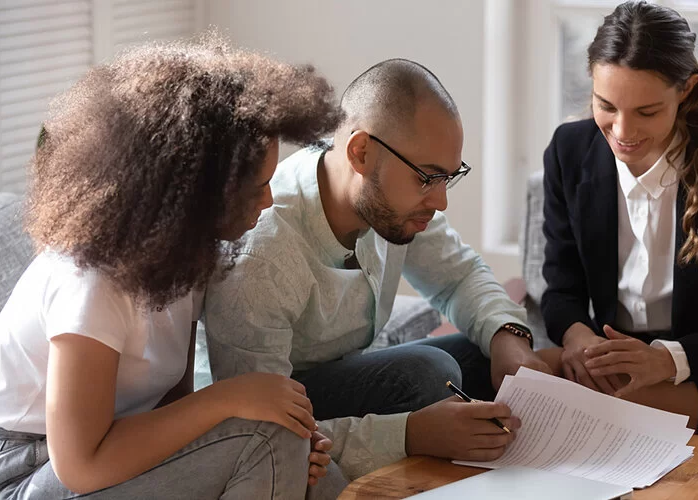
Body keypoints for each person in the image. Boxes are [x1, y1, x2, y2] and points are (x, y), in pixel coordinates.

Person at [0, 35, 344, 499]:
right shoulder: (92, 280)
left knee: (314, 469)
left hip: (100, 451)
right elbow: (80, 466)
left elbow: (172, 412)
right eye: (256, 188)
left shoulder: (184, 257)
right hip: (19, 473)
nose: (268, 201)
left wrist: (274, 435)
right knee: (266, 439)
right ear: (195, 190)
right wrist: (230, 399)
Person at [204, 58, 551, 481]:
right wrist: (410, 435)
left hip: (339, 375)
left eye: (449, 177)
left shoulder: (391, 204)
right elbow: (259, 435)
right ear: (362, 153)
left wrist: (509, 340)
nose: (440, 202)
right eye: (428, 178)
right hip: (277, 403)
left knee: (492, 353)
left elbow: (459, 277)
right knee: (431, 375)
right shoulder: (262, 256)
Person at [539, 0, 698, 440]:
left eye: (646, 112)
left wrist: (671, 359)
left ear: (686, 90)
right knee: (522, 374)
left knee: (605, 405)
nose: (622, 132)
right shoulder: (568, 151)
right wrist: (578, 339)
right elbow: (560, 290)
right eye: (606, 106)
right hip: (615, 361)